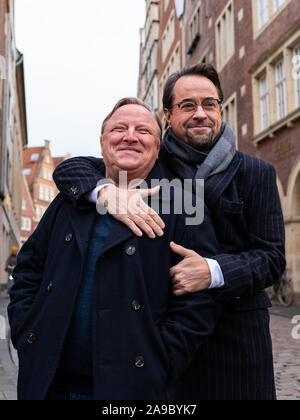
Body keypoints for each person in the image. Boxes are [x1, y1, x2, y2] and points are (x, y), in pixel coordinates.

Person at [53, 64, 286, 400]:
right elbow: (72, 169)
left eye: (210, 104)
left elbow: (273, 257)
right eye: (187, 105)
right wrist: (106, 192)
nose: (200, 114)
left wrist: (213, 271)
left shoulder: (255, 173)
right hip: (166, 335)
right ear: (167, 115)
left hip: (235, 340)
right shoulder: (154, 161)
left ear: (221, 108)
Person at [8, 98, 221, 400]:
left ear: (157, 148)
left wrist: (160, 362)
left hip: (133, 388)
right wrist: (26, 330)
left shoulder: (184, 206)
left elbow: (200, 302)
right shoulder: (72, 200)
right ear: (102, 141)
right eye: (119, 128)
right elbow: (29, 266)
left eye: (143, 131)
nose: (130, 136)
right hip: (50, 382)